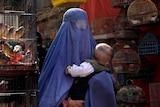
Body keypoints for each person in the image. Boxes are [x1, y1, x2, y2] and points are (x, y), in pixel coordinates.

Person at [38, 8, 96, 107]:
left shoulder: (94, 49)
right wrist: (66, 102)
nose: (81, 30)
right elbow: (52, 89)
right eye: (77, 25)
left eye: (84, 25)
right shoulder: (59, 53)